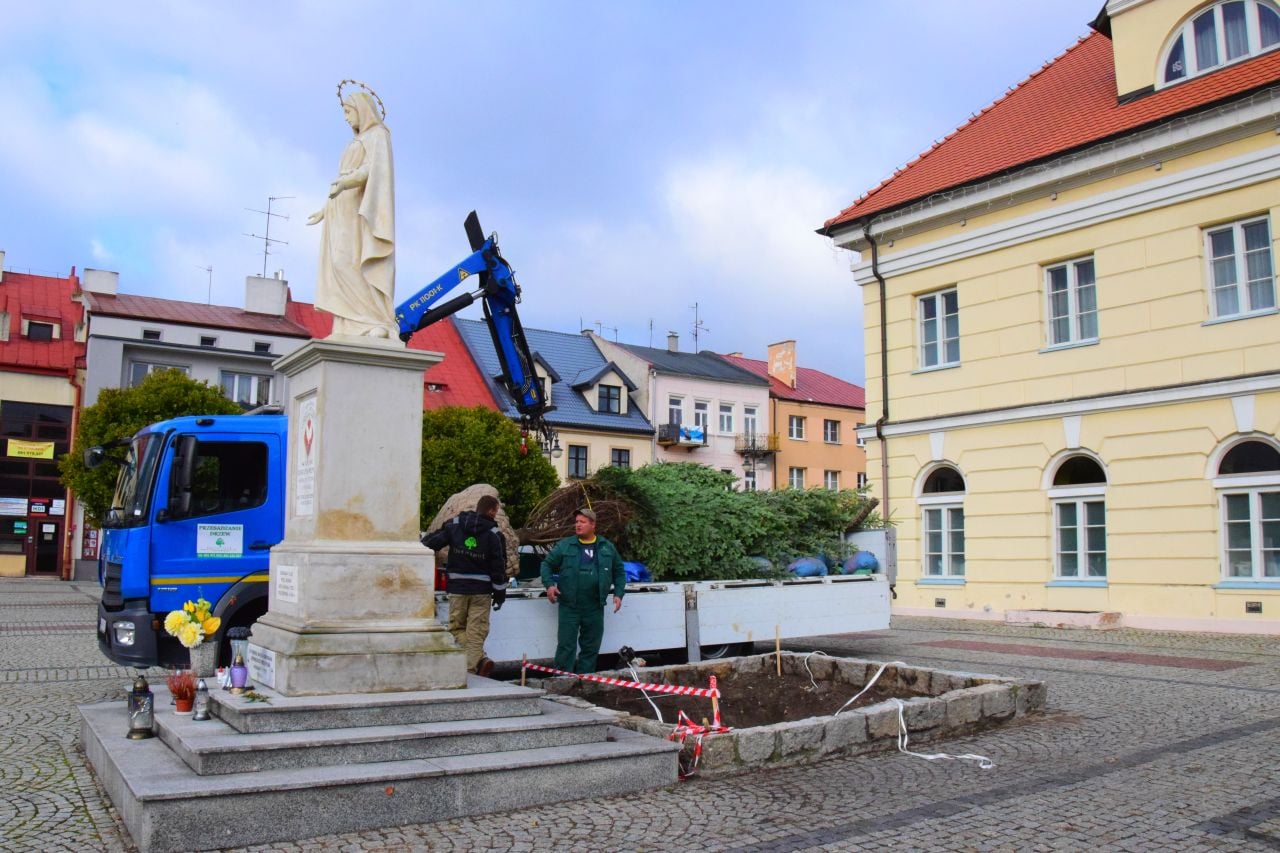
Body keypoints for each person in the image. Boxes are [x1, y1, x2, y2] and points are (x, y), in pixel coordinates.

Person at [306, 85, 396, 338]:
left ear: (361, 110)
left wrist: (346, 183)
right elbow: (342, 178)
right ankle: (349, 322)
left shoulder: (378, 135)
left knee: (352, 262)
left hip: (359, 210)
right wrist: (325, 209)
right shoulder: (354, 141)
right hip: (339, 208)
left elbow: (373, 171)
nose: (346, 118)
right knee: (338, 264)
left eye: (348, 111)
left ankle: (375, 320)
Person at [422, 495, 507, 677]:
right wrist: (500, 592)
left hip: (457, 589)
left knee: (456, 628)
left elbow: (431, 542)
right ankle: (472, 670)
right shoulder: (494, 535)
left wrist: (415, 549)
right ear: (492, 510)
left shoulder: (455, 525)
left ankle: (478, 660)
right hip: (481, 592)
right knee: (476, 632)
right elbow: (498, 567)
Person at [540, 507, 626, 674]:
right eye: (577, 522)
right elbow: (547, 564)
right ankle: (563, 681)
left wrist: (618, 594)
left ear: (593, 525)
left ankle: (585, 680)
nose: (578, 525)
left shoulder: (606, 547)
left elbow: (619, 572)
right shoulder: (566, 546)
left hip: (594, 605)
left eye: (582, 522)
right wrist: (549, 584)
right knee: (566, 645)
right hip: (569, 605)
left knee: (591, 646)